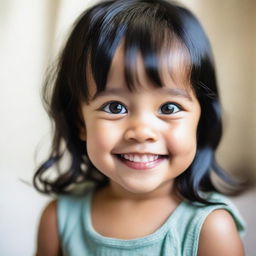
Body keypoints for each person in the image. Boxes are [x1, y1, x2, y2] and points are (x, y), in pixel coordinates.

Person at [34, 0, 246, 255]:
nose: (142, 131)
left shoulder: (211, 228)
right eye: (115, 107)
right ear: (80, 122)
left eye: (169, 108)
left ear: (200, 122)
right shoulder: (57, 220)